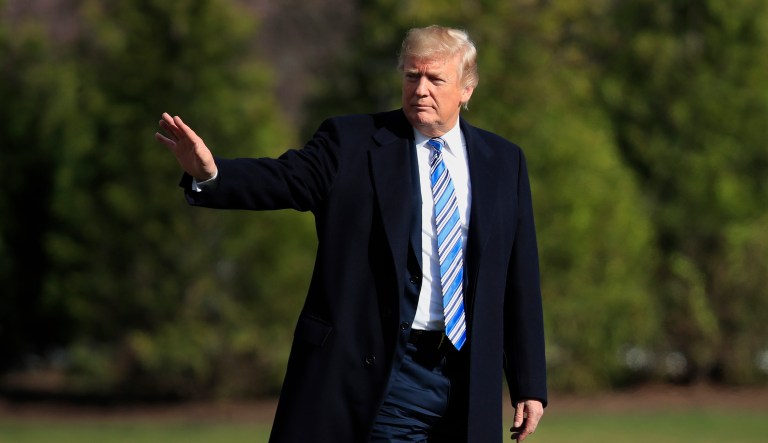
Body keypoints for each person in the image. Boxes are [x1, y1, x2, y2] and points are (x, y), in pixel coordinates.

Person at [155, 25, 546, 442]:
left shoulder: (503, 161)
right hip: (379, 374)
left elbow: (519, 277)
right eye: (411, 76)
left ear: (466, 89)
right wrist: (212, 173)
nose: (420, 90)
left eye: (435, 79)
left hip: (466, 383)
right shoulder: (351, 142)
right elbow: (286, 179)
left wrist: (529, 383)